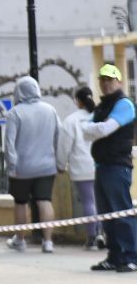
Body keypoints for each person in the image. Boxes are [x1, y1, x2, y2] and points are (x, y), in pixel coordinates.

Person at [82, 63, 137, 273]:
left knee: (122, 213)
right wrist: (94, 128)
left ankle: (131, 256)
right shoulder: (102, 106)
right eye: (102, 80)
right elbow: (85, 130)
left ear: (119, 81)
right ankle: (114, 256)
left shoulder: (124, 104)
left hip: (117, 167)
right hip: (102, 166)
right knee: (106, 215)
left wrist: (94, 128)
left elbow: (105, 129)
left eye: (110, 79)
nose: (106, 83)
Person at [3, 76, 64, 253]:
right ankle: (48, 242)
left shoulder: (15, 113)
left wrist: (12, 166)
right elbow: (59, 136)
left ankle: (20, 240)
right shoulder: (50, 110)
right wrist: (59, 161)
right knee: (45, 201)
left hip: (22, 169)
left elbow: (9, 144)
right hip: (46, 167)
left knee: (21, 203)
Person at [58, 86, 102, 250]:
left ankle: (92, 237)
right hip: (100, 164)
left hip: (81, 167)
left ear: (77, 101)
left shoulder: (71, 120)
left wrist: (61, 165)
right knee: (101, 202)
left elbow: (64, 146)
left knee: (88, 202)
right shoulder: (99, 116)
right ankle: (102, 234)